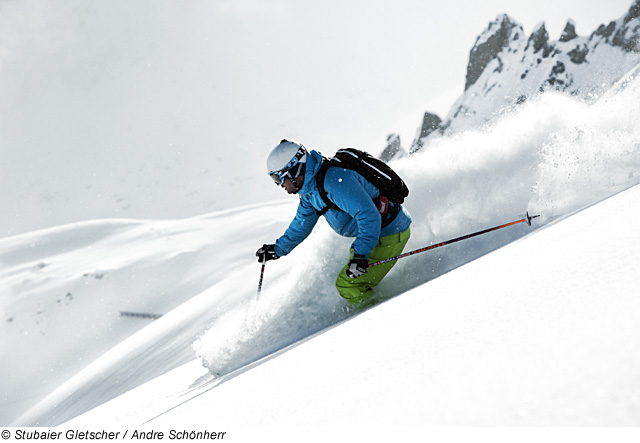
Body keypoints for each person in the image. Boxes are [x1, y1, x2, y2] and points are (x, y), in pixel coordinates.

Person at [256, 139, 411, 307]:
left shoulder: (333, 181)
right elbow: (301, 224)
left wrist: (360, 256)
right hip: (375, 235)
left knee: (348, 285)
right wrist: (277, 249)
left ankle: (384, 317)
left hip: (391, 232)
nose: (280, 185)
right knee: (348, 280)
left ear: (294, 170)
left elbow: (368, 216)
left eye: (279, 179)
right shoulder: (310, 191)